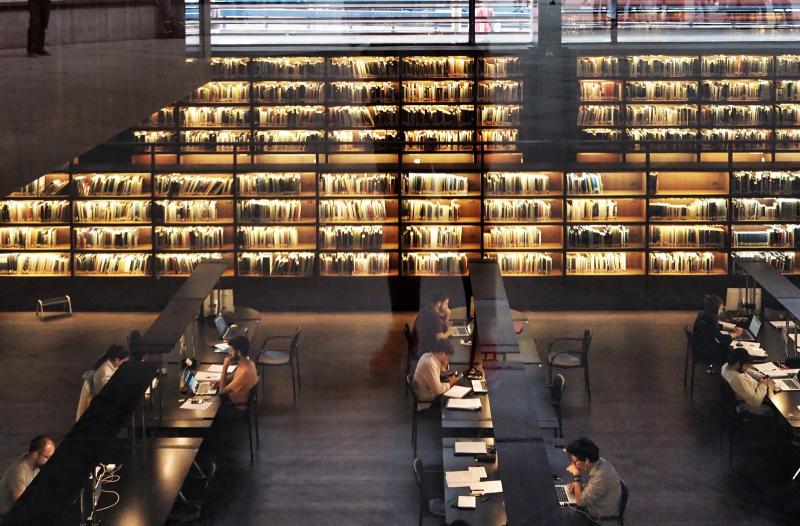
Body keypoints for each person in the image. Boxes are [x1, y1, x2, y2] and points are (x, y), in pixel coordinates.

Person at [565, 438, 622, 521]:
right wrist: (579, 487)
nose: (572, 465)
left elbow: (580, 503)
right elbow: (595, 487)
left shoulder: (601, 475)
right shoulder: (600, 462)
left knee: (564, 516)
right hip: (599, 501)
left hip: (600, 512)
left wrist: (576, 475)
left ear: (587, 461)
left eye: (574, 462)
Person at [0, 435, 55, 514]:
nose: (50, 461)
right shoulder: (19, 472)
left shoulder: (32, 460)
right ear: (35, 454)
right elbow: (21, 505)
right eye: (47, 457)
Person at [692, 294, 741, 374]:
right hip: (706, 353)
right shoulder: (711, 319)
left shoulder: (703, 315)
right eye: (721, 308)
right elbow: (720, 338)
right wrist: (735, 334)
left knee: (727, 347)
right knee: (731, 351)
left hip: (698, 348)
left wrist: (731, 329)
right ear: (715, 308)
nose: (721, 311)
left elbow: (714, 328)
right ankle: (727, 376)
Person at [721, 346, 775, 416]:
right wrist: (763, 384)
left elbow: (746, 370)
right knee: (775, 411)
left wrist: (759, 376)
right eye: (746, 365)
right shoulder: (737, 379)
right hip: (750, 405)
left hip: (752, 393)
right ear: (738, 364)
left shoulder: (726, 366)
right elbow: (755, 402)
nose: (747, 367)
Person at [413, 339, 459, 410]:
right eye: (447, 356)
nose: (448, 358)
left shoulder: (429, 356)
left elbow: (440, 370)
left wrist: (445, 364)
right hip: (427, 401)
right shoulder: (430, 363)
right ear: (442, 353)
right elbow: (438, 390)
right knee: (455, 403)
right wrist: (451, 383)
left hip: (429, 392)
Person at [213, 335, 258, 408]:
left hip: (235, 407)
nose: (229, 353)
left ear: (239, 352)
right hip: (235, 400)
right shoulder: (249, 363)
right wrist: (220, 381)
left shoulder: (244, 373)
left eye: (231, 350)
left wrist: (225, 367)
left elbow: (221, 391)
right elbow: (235, 375)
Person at [412, 290, 454, 357]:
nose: (447, 306)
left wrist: (447, 315)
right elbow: (440, 339)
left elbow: (442, 327)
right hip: (424, 350)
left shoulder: (430, 309)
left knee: (450, 346)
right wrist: (449, 332)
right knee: (451, 350)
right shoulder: (433, 316)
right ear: (439, 303)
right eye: (446, 303)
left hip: (421, 344)